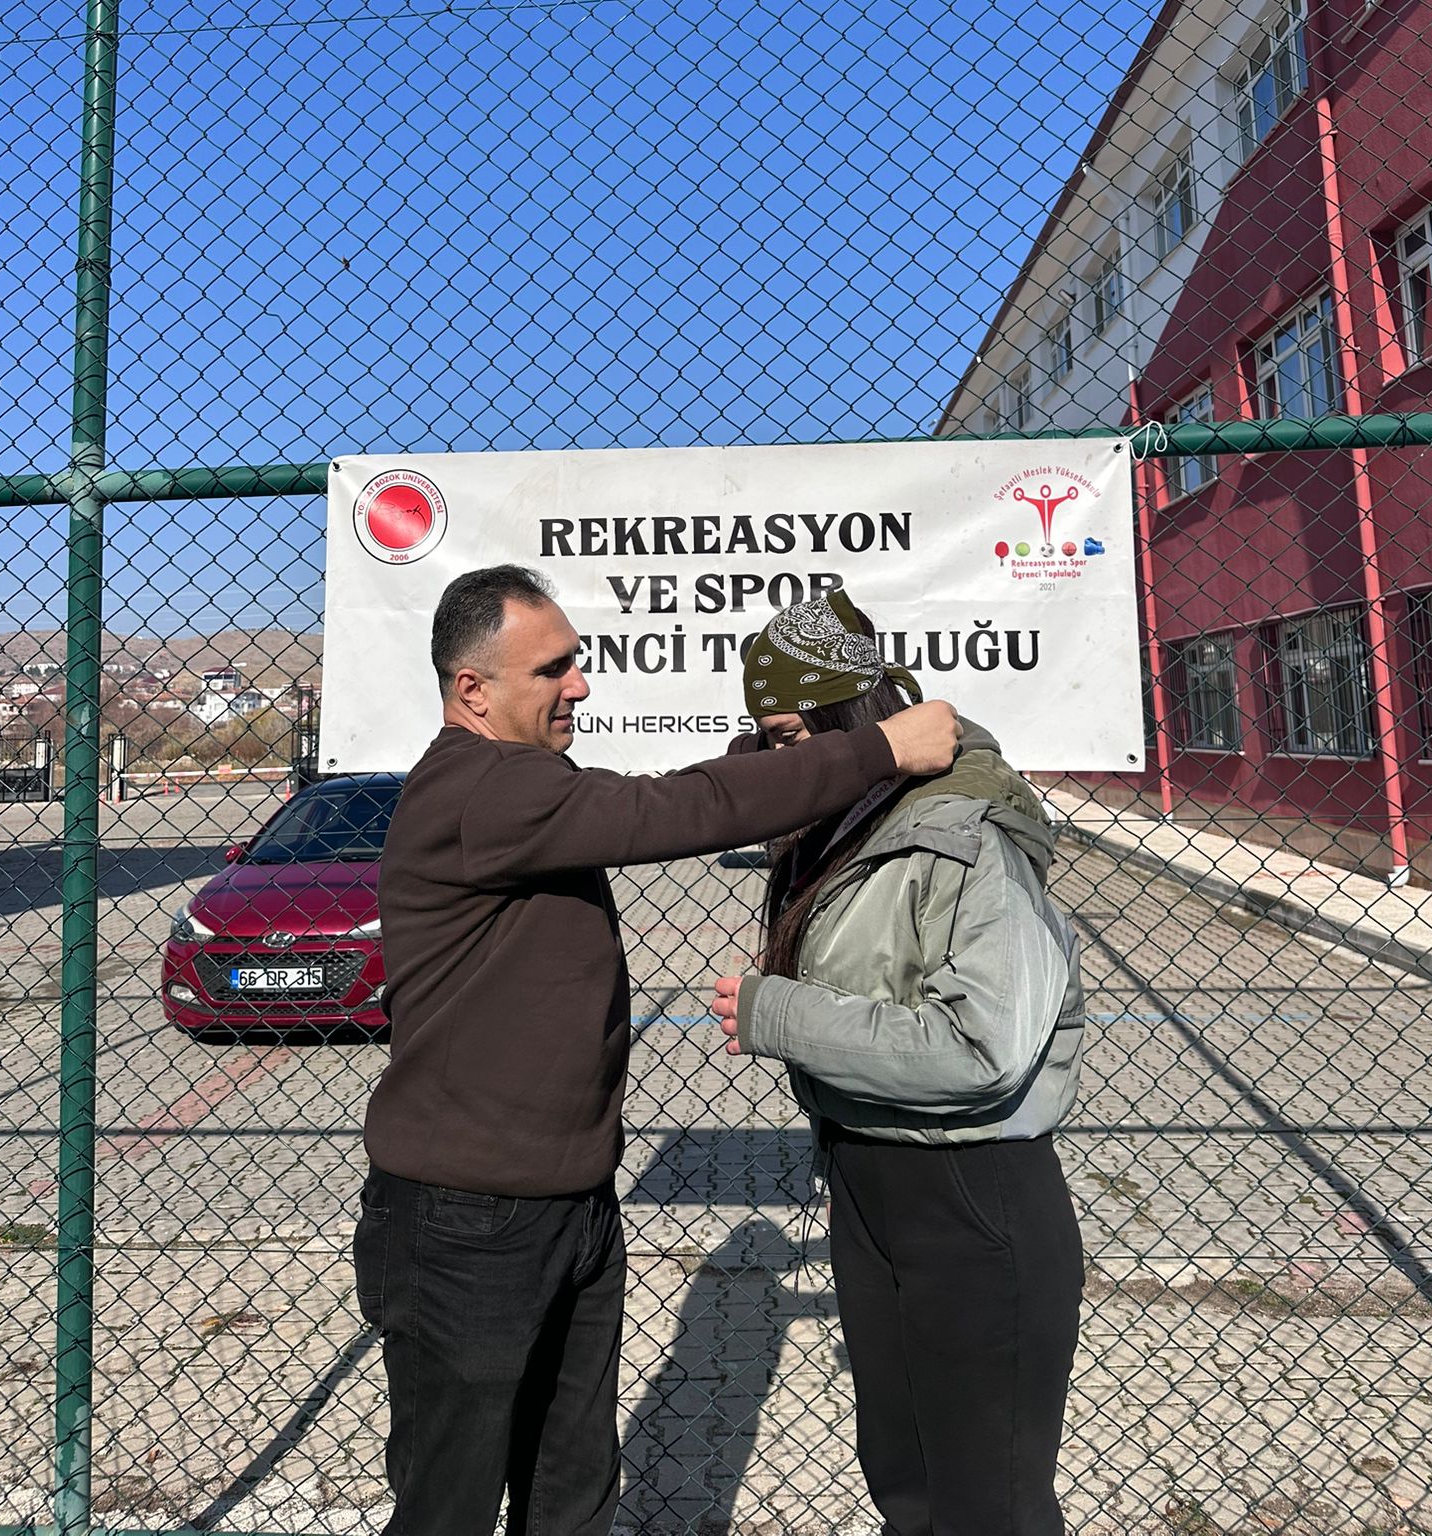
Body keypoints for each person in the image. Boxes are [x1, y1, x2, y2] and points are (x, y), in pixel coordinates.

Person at [353, 563, 965, 1536]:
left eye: (577, 660)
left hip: (568, 1205)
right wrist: (879, 747)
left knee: (573, 1489)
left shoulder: (525, 788)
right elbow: (679, 808)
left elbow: (712, 787)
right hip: (465, 1224)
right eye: (552, 669)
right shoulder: (480, 791)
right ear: (473, 689)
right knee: (449, 1506)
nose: (580, 684)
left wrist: (796, 742)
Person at [710, 588, 1085, 1536]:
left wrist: (777, 1012)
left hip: (971, 1194)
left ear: (852, 720)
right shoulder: (854, 825)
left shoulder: (969, 836)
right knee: (906, 1485)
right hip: (868, 1179)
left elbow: (982, 1050)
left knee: (988, 1506)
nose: (789, 763)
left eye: (793, 738)